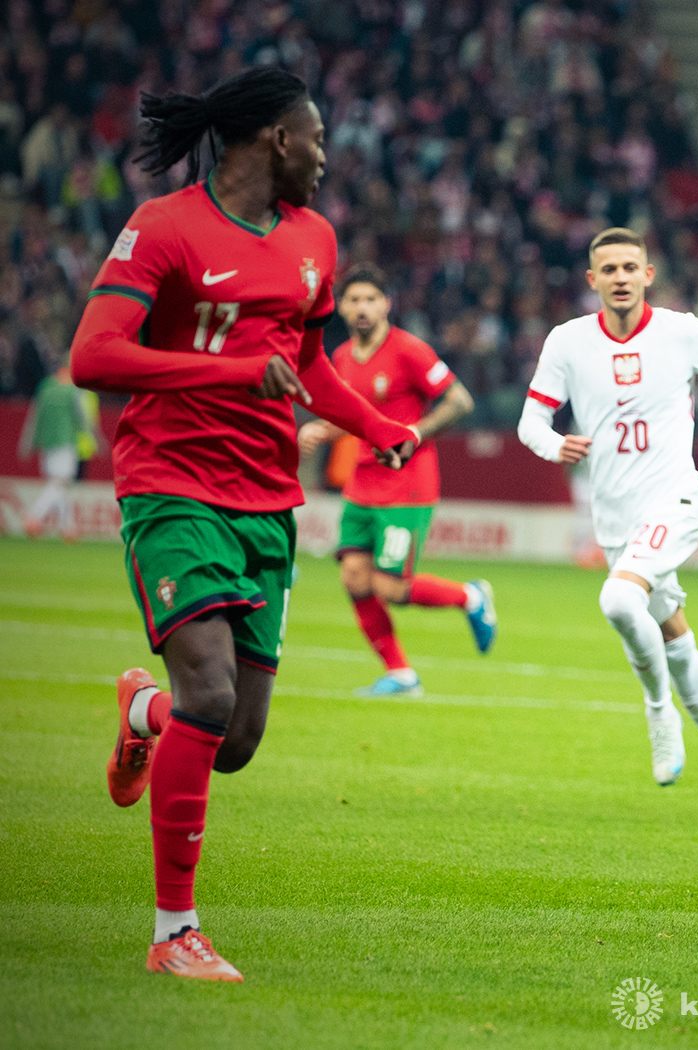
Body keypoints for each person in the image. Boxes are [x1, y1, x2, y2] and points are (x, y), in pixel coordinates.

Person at [70, 66, 418, 981]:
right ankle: (171, 931)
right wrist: (228, 374)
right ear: (277, 141)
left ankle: (144, 711)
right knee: (213, 698)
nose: (328, 159)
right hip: (172, 485)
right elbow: (93, 354)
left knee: (235, 743)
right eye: (318, 141)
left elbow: (307, 363)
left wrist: (377, 428)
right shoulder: (164, 227)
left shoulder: (314, 240)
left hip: (268, 498)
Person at [517, 227, 698, 824]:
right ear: (593, 281)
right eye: (609, 269)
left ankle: (658, 712)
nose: (621, 277)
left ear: (648, 273)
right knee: (672, 631)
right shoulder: (568, 342)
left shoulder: (683, 331)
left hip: (675, 500)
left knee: (616, 601)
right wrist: (555, 446)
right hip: (614, 520)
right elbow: (533, 421)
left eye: (630, 266)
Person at [298, 266, 496, 695]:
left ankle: (470, 597)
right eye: (353, 300)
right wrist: (322, 429)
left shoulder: (409, 350)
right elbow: (354, 416)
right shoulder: (344, 358)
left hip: (407, 485)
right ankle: (401, 673)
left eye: (371, 299)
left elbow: (460, 400)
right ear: (342, 308)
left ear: (387, 304)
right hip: (362, 484)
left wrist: (416, 434)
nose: (362, 308)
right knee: (354, 577)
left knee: (390, 586)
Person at [17, 362, 98, 539]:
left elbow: (35, 416)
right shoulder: (71, 390)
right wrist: (94, 438)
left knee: (60, 485)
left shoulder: (45, 388)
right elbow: (81, 416)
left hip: (47, 443)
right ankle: (33, 516)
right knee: (59, 483)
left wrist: (28, 444)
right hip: (65, 441)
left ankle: (68, 528)